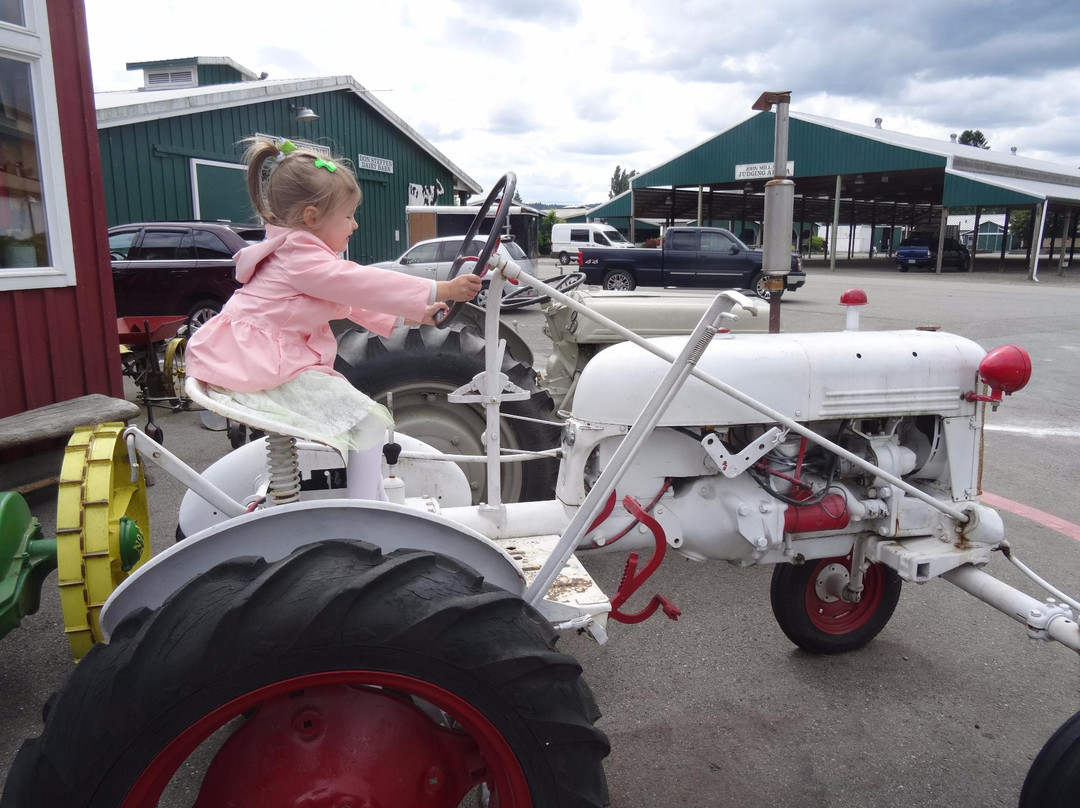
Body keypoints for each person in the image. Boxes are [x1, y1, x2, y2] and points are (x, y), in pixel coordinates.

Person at [186, 137, 482, 501]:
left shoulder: (294, 252)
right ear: (312, 217)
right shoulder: (299, 255)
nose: (354, 225)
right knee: (369, 422)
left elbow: (347, 298)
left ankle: (372, 499)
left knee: (364, 422)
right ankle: (364, 509)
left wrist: (414, 312)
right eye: (347, 216)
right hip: (259, 361)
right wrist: (440, 289)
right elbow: (357, 282)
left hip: (252, 353)